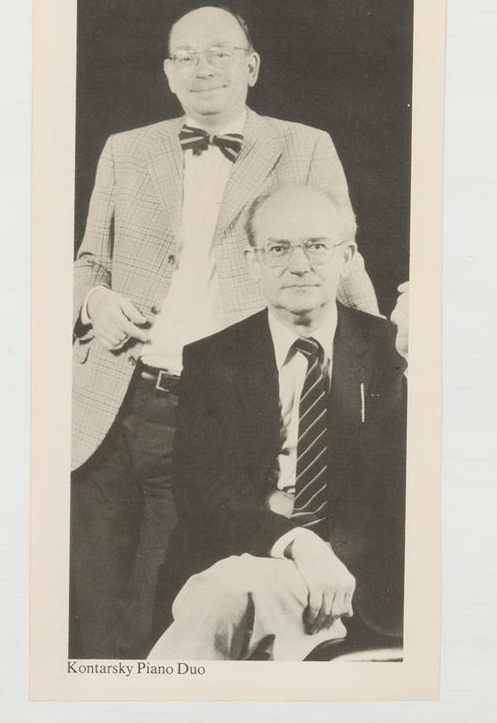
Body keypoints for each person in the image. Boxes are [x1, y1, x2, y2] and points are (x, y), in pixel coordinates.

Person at [70, 6, 379, 660]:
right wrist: (93, 301)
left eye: (220, 53)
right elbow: (89, 261)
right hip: (112, 401)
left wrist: (385, 360)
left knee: (162, 606)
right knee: (88, 604)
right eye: (186, 56)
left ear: (251, 66)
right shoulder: (126, 149)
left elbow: (341, 259)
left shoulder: (304, 146)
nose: (202, 68)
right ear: (168, 73)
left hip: (214, 411)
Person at [146, 184, 406, 661]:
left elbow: (402, 483)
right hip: (256, 554)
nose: (299, 264)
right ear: (252, 263)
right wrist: (298, 542)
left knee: (231, 591)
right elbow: (205, 493)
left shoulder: (393, 350)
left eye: (316, 246)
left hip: (368, 589)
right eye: (279, 248)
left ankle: (156, 698)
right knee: (233, 586)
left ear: (347, 257)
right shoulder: (215, 360)